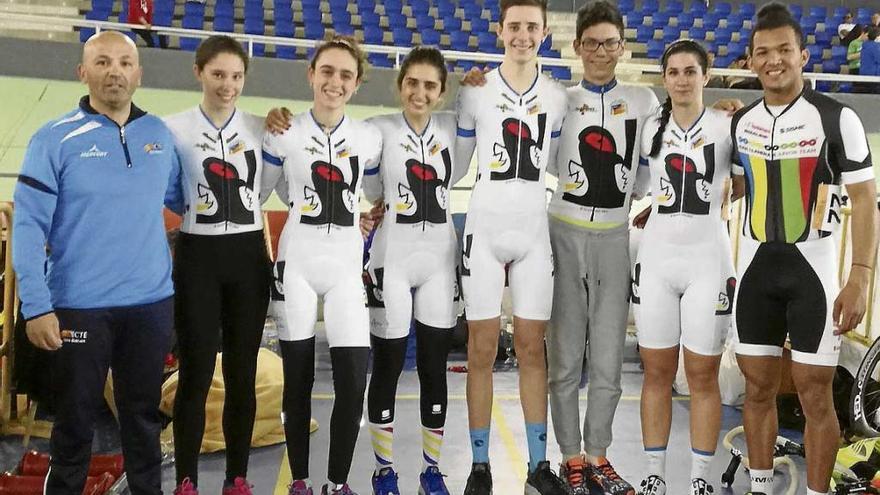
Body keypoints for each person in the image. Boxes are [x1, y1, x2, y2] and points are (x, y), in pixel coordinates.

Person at [12, 31, 182, 495]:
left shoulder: (158, 135)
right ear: (82, 73)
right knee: (73, 426)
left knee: (144, 423)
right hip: (77, 307)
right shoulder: (54, 138)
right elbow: (27, 227)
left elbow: (184, 200)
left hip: (150, 306)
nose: (115, 72)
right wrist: (36, 306)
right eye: (103, 62)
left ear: (139, 74)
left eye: (125, 63)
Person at [730, 4, 878, 495]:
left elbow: (865, 199)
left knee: (816, 398)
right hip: (754, 274)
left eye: (784, 51)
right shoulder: (741, 122)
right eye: (764, 53)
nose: (774, 61)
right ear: (751, 61)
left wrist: (858, 276)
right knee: (757, 390)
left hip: (814, 277)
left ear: (803, 55)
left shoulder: (838, 118)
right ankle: (759, 485)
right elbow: (728, 187)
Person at [454, 1, 570, 493]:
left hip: (532, 231)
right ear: (499, 31)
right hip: (483, 228)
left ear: (544, 33)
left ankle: (538, 465)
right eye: (514, 27)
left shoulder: (559, 96)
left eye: (531, 27)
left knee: (531, 350)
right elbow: (454, 165)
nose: (522, 35)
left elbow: (567, 168)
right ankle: (480, 466)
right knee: (479, 350)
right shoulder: (475, 93)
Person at [261, 35, 382, 495]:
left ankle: (337, 482)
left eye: (345, 75)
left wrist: (374, 213)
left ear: (356, 84)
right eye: (326, 71)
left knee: (353, 384)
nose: (335, 82)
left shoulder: (368, 138)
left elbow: (379, 189)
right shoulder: (284, 131)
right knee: (298, 382)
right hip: (297, 265)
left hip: (346, 270)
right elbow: (261, 189)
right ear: (311, 74)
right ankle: (301, 482)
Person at [544, 2, 657, 494]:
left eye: (611, 42)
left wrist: (724, 110)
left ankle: (598, 456)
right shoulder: (558, 100)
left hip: (614, 236)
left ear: (622, 47)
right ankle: (570, 456)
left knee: (609, 359)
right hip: (562, 234)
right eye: (592, 42)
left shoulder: (644, 100)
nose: (601, 51)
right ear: (577, 47)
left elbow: (660, 160)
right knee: (566, 357)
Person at [631, 39, 744, 495]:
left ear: (707, 73)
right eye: (673, 72)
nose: (681, 79)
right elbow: (642, 184)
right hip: (656, 260)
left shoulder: (726, 124)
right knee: (656, 373)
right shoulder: (648, 128)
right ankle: (655, 473)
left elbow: (741, 183)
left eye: (690, 71)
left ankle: (699, 478)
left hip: (707, 262)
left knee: (701, 376)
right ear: (664, 78)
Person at [163, 35, 271, 495]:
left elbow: (268, 188)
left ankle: (237, 478)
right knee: (196, 371)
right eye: (218, 74)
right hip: (197, 258)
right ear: (199, 73)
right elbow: (170, 191)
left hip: (248, 258)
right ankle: (186, 478)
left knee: (243, 374)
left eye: (236, 76)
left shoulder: (263, 127)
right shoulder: (173, 128)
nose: (228, 85)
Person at [361, 46, 466, 495]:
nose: (419, 92)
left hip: (440, 261)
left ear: (441, 92)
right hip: (392, 260)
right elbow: (368, 190)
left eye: (429, 85)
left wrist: (478, 80)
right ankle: (384, 471)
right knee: (385, 367)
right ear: (400, 84)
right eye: (412, 83)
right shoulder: (376, 130)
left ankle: (430, 470)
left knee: (433, 368)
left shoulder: (452, 129)